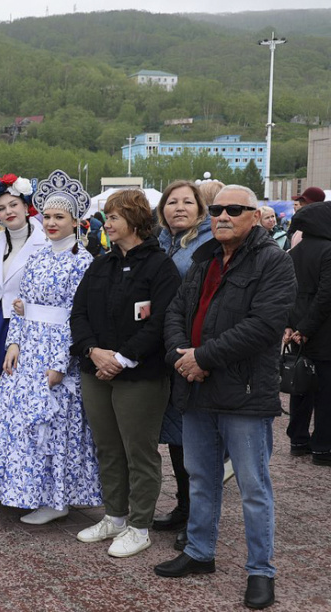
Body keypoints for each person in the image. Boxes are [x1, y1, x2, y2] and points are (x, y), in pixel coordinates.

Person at [154, 186, 295, 611]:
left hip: (245, 393)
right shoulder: (204, 259)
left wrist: (202, 357)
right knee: (200, 477)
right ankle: (199, 552)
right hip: (196, 387)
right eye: (216, 209)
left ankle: (260, 571)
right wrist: (182, 357)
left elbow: (264, 326)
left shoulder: (274, 261)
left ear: (254, 215)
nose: (223, 216)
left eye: (234, 209)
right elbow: (176, 313)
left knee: (253, 486)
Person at [0, 169, 101, 524]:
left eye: (61, 217)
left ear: (76, 221)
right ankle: (27, 488)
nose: (53, 222)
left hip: (56, 350)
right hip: (27, 348)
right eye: (50, 216)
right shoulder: (39, 257)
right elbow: (21, 303)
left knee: (50, 425)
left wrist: (60, 362)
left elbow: (77, 315)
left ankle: (56, 500)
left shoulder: (82, 262)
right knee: (15, 421)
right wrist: (13, 343)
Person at [70, 188, 181, 558]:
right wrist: (93, 351)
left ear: (134, 220)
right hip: (95, 368)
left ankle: (139, 526)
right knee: (108, 449)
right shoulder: (100, 263)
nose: (108, 223)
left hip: (140, 375)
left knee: (139, 451)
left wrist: (121, 357)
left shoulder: (159, 266)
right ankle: (115, 516)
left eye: (114, 217)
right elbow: (79, 313)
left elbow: (161, 320)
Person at [152, 180, 213, 550]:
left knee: (196, 439)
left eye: (187, 202)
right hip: (165, 349)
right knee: (176, 437)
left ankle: (197, 517)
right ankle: (184, 507)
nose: (178, 207)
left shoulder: (206, 245)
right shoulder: (161, 242)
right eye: (171, 202)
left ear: (200, 208)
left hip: (194, 349)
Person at [0, 174, 48, 412]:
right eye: (2, 208)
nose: (8, 211)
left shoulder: (45, 241)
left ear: (26, 206)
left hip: (29, 325)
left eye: (14, 204)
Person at [284, 200, 331, 465]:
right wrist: (306, 328)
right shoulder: (329, 251)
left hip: (299, 330)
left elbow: (287, 293)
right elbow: (326, 296)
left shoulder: (294, 252)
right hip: (322, 332)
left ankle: (298, 440)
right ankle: (323, 447)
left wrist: (292, 326)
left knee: (300, 383)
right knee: (325, 391)